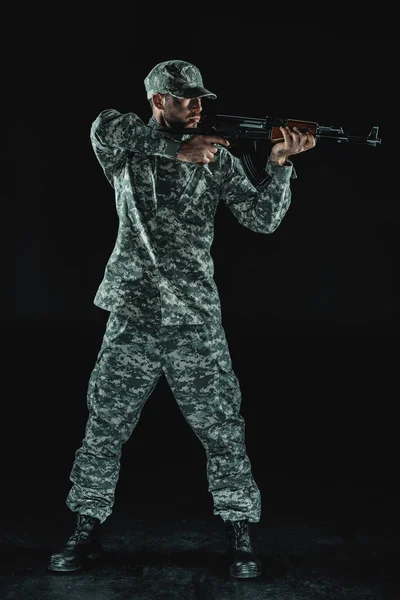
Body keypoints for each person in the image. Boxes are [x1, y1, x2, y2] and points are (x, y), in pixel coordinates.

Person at [48, 59, 316, 579]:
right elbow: (103, 123)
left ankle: (239, 530)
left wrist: (281, 163)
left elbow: (261, 220)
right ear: (157, 101)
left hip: (194, 318)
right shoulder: (124, 148)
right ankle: (86, 526)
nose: (195, 107)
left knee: (223, 430)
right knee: (104, 424)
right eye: (183, 98)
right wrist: (175, 148)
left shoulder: (215, 157)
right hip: (134, 315)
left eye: (199, 98)